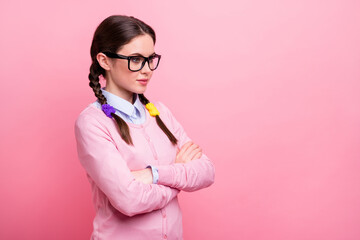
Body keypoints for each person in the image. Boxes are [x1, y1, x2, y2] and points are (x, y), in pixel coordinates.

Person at [74, 15, 215, 240]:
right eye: (136, 59)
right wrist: (180, 177)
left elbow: (207, 171)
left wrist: (154, 175)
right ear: (105, 61)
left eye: (151, 59)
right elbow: (129, 200)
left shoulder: (160, 112)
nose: (147, 69)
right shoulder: (92, 122)